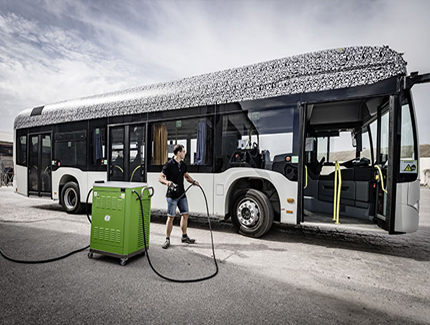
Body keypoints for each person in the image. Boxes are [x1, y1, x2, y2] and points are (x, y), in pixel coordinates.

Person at [158, 144, 200, 249]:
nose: (185, 153)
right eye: (183, 151)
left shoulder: (183, 165)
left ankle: (184, 236)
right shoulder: (168, 164)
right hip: (171, 196)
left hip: (182, 194)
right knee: (170, 217)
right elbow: (160, 178)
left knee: (185, 214)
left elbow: (186, 176)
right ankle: (167, 239)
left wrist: (194, 181)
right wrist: (167, 183)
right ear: (178, 153)